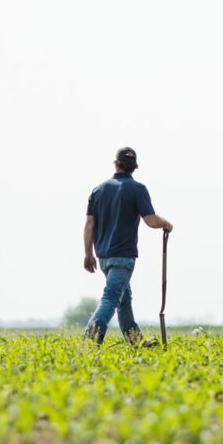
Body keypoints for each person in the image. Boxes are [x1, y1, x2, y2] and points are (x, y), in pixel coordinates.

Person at [83, 147, 173, 345]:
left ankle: (136, 342)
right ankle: (89, 342)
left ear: (116, 163)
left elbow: (90, 224)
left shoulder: (98, 190)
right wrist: (166, 224)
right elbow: (150, 220)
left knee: (124, 299)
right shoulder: (137, 189)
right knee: (112, 298)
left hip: (103, 256)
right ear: (134, 167)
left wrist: (88, 254)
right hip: (123, 256)